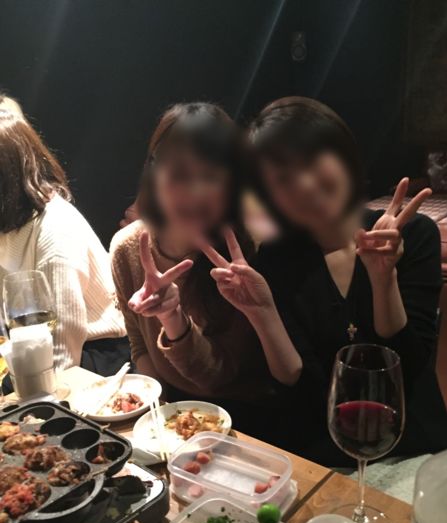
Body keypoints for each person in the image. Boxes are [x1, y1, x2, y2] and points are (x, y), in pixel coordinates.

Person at [202, 97, 447, 465]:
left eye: (311, 161)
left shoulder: (413, 235)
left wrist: (383, 279)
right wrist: (263, 313)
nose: (304, 184)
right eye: (282, 179)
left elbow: (410, 370)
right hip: (327, 448)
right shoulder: (277, 259)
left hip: (409, 442)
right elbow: (299, 389)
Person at [110, 102, 268, 425]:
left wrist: (173, 318)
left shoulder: (246, 252)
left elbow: (219, 378)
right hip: (171, 410)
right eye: (179, 173)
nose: (194, 191)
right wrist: (159, 415)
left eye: (210, 176)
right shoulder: (127, 249)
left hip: (247, 419)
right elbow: (139, 346)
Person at [0, 107, 127, 374]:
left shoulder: (54, 230)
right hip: (33, 352)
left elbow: (61, 358)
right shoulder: (9, 225)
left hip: (94, 359)